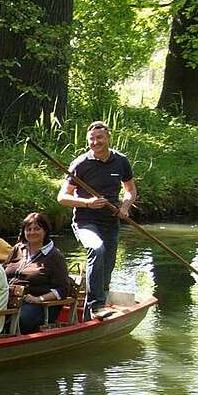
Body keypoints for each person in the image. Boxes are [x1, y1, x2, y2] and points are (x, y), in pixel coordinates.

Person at [57, 120, 137, 316]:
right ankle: (96, 305)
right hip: (85, 221)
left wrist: (125, 207)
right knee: (96, 248)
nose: (95, 142)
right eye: (91, 139)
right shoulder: (81, 164)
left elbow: (130, 190)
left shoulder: (121, 161)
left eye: (99, 138)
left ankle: (94, 307)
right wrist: (87, 203)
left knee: (107, 266)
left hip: (110, 221)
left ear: (108, 137)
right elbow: (62, 197)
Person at [5, 212, 71, 333]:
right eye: (28, 229)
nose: (32, 232)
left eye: (37, 229)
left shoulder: (54, 256)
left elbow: (62, 290)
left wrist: (38, 299)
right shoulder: (18, 249)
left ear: (45, 231)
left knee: (20, 320)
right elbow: (4, 271)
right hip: (9, 299)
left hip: (38, 305)